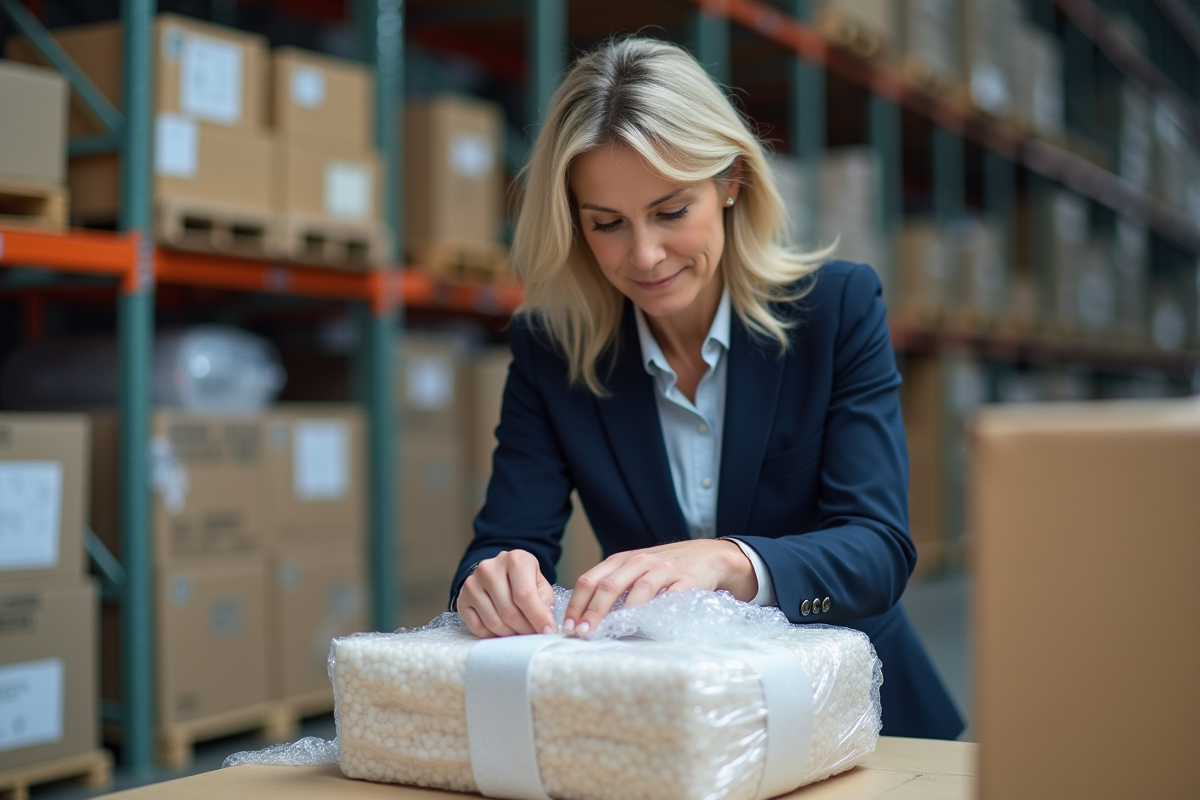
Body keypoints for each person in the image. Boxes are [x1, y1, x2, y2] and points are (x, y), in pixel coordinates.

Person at [449, 36, 964, 740]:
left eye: (670, 211)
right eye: (607, 225)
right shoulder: (552, 351)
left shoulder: (836, 310)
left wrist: (728, 560)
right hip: (675, 728)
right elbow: (504, 543)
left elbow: (877, 552)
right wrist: (491, 581)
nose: (645, 255)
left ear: (731, 182)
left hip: (857, 719)